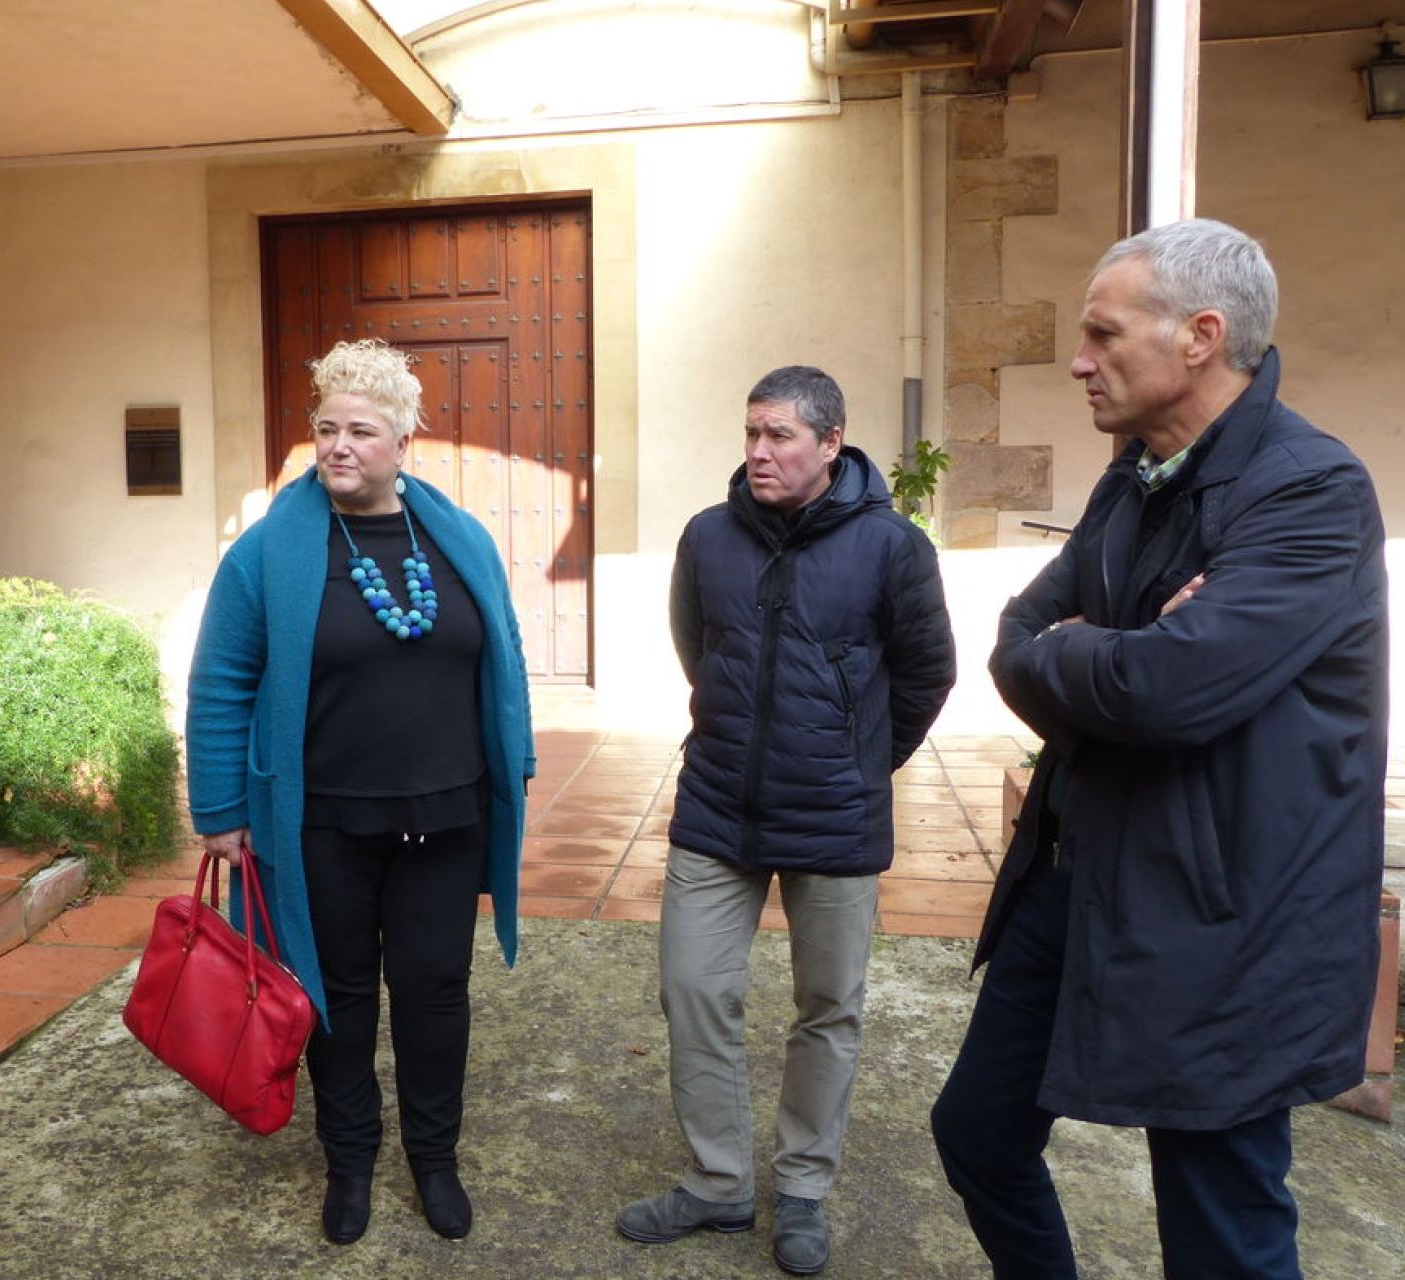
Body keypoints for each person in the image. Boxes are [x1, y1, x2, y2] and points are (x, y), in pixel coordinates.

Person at [930, 218, 1389, 1279]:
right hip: (1077, 871)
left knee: (1220, 1222)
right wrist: (1118, 652)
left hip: (1224, 916)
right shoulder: (1130, 475)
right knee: (978, 1133)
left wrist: (1108, 654)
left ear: (1201, 336)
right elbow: (1013, 642)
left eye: (1103, 333)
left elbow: (1169, 690)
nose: (1079, 359)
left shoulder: (1311, 489)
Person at [185, 338, 534, 1245]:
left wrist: (517, 757)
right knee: (332, 996)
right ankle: (349, 1161)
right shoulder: (268, 554)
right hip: (322, 823)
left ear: (403, 442)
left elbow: (503, 658)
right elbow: (221, 679)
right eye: (326, 428)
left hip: (447, 815)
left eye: (362, 431)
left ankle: (434, 1159)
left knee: (434, 990)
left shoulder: (457, 539)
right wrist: (221, 811)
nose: (339, 446)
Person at [617, 365, 955, 1275]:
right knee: (693, 990)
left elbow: (928, 674)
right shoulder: (708, 537)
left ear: (830, 444)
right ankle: (719, 1184)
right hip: (718, 806)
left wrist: (857, 763)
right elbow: (702, 651)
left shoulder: (893, 548)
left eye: (780, 437)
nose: (760, 453)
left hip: (836, 820)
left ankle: (803, 1188)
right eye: (752, 435)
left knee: (828, 1007)